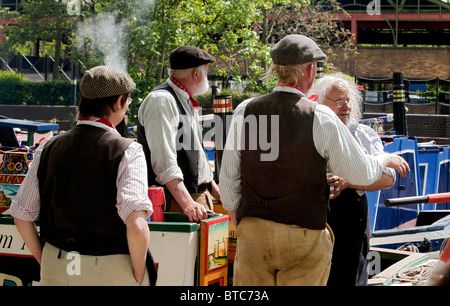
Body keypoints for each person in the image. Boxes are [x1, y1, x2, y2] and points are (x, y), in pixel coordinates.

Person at [219, 34, 410, 286]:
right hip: (303, 235)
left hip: (254, 233)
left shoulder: (245, 110)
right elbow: (360, 174)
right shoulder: (320, 117)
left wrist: (241, 221)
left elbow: (229, 178)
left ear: (276, 69)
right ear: (309, 70)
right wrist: (384, 157)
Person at [10, 66, 156, 286]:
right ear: (118, 102)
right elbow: (136, 226)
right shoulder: (129, 150)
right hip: (110, 269)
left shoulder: (48, 146)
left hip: (57, 265)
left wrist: (46, 261)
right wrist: (138, 273)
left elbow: (21, 215)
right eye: (127, 102)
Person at [308, 74, 397, 286]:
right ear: (320, 103)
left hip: (350, 219)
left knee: (350, 275)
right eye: (339, 101)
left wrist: (349, 182)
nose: (346, 106)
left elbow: (388, 178)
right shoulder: (310, 132)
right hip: (313, 217)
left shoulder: (362, 134)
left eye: (348, 100)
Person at [137, 45, 220, 222]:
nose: (207, 76)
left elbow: (197, 160)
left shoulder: (182, 99)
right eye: (206, 72)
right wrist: (187, 203)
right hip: (179, 204)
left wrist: (218, 194)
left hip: (195, 202)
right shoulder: (162, 100)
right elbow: (164, 163)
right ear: (197, 74)